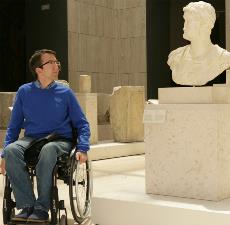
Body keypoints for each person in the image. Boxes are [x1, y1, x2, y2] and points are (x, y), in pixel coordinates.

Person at [0, 49, 90, 222]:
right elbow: (14, 126)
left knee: (48, 150)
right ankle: (27, 205)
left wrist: (83, 147)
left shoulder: (65, 93)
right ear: (39, 70)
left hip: (59, 139)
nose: (57, 66)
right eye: (51, 62)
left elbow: (82, 123)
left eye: (57, 62)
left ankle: (42, 208)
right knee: (11, 150)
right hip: (32, 139)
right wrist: (4, 154)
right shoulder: (24, 92)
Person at [167, 1, 230, 86]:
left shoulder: (223, 58)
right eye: (184, 21)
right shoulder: (176, 57)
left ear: (204, 25)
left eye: (188, 21)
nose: (184, 26)